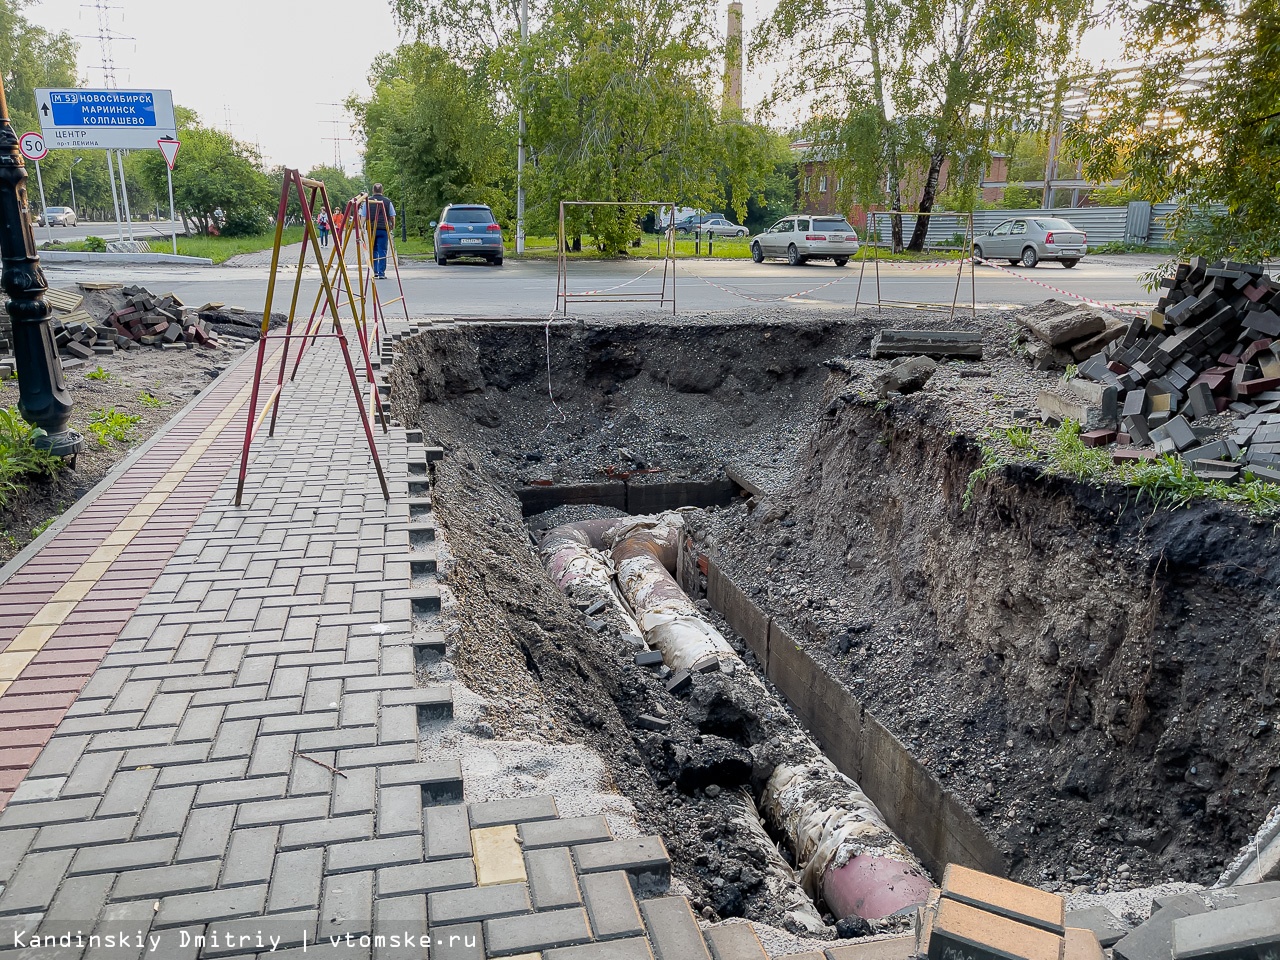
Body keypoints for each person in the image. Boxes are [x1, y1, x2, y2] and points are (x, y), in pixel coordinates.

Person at [363, 185, 396, 279]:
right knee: (383, 250)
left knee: (373, 250)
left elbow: (363, 216)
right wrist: (392, 226)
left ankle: (375, 271)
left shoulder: (367, 201)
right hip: (383, 229)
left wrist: (362, 227)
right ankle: (381, 273)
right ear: (382, 190)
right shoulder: (387, 201)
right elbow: (392, 215)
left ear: (373, 190)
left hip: (372, 228)